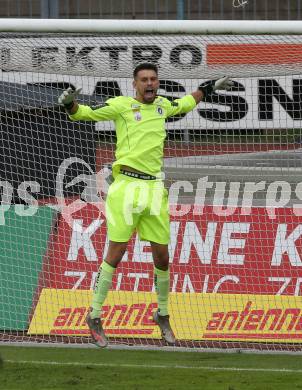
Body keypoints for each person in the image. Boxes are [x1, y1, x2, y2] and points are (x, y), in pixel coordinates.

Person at [58, 63, 233, 347]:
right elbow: (84, 114)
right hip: (126, 187)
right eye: (144, 80)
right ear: (134, 84)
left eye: (153, 79)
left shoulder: (163, 106)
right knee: (116, 252)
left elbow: (187, 103)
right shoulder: (120, 106)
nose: (150, 84)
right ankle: (95, 313)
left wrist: (208, 87)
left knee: (162, 257)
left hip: (154, 188)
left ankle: (162, 313)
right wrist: (70, 104)